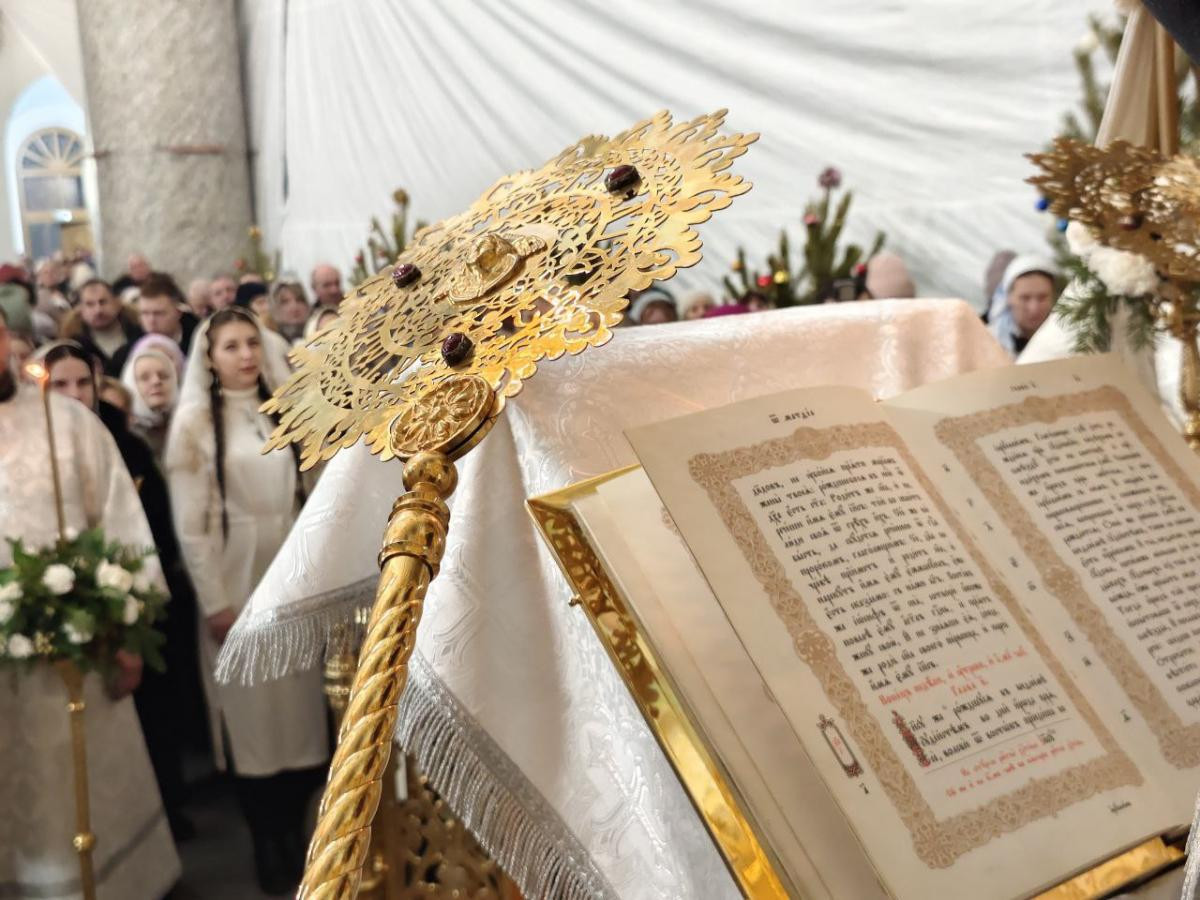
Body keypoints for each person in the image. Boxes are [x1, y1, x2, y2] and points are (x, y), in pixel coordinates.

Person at [0, 310, 181, 898]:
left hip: (81, 653)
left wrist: (129, 632)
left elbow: (123, 526)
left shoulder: (69, 423)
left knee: (89, 794)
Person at [166, 307, 328, 893]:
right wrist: (215, 601)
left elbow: (313, 487)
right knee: (252, 716)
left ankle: (296, 830)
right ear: (209, 359)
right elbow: (192, 527)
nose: (245, 355)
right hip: (236, 572)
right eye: (230, 346)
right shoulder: (193, 423)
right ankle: (265, 839)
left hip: (290, 564)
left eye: (251, 343)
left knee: (301, 715)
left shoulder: (281, 406)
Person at [36, 340, 202, 842]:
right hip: (64, 606)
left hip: (132, 595)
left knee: (152, 714)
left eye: (82, 383)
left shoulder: (122, 444)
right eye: (60, 384)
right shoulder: (29, 444)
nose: (74, 395)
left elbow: (150, 524)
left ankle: (165, 815)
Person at [121, 334, 186, 461]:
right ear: (131, 384)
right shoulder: (125, 434)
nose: (156, 381)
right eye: (145, 378)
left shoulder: (190, 425)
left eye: (163, 376)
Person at [62, 278, 143, 376]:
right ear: (80, 310)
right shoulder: (74, 345)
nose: (98, 310)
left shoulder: (140, 333)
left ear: (117, 303)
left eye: (103, 302)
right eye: (90, 304)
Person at [990, 255, 1059, 358]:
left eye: (1042, 298)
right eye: (1025, 298)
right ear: (1009, 297)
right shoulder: (988, 340)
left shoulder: (1062, 341)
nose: (1034, 308)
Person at [137, 273, 199, 357]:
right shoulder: (129, 352)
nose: (151, 321)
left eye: (159, 313)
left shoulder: (201, 343)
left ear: (178, 313)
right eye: (145, 313)